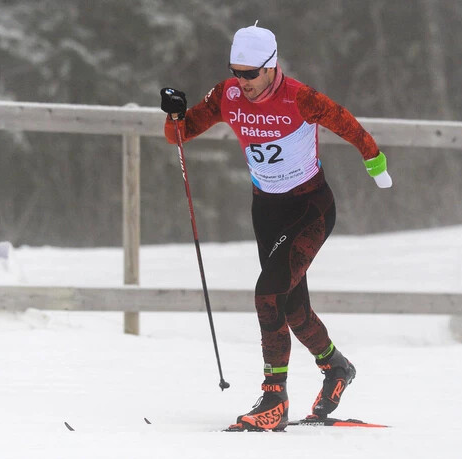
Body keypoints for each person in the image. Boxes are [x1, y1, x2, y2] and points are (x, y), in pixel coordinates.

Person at [160, 24, 392, 432]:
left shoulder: (300, 97)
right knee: (291, 306)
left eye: (251, 73)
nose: (243, 82)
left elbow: (348, 124)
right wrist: (176, 114)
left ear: (271, 67)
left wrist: (374, 161)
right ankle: (337, 367)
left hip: (309, 209)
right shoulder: (227, 94)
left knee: (267, 294)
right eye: (237, 72)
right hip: (265, 211)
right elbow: (180, 134)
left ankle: (275, 396)